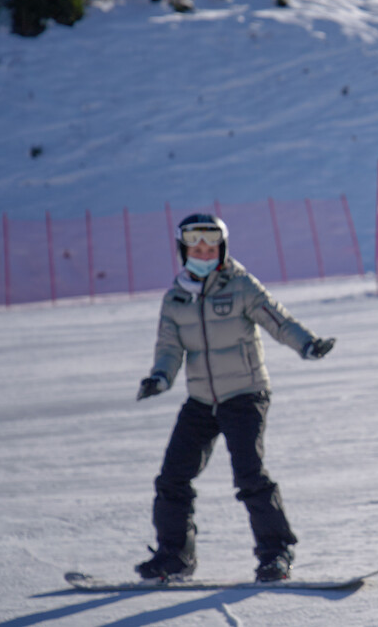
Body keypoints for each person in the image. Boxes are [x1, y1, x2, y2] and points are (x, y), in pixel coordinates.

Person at [135, 213, 335, 582]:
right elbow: (169, 346)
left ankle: (276, 554)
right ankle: (174, 556)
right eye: (196, 247)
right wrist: (160, 378)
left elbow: (278, 320)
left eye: (211, 247)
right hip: (201, 399)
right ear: (184, 250)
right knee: (172, 478)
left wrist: (306, 343)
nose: (204, 252)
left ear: (222, 248)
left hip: (245, 394)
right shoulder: (176, 297)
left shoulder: (240, 285)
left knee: (249, 475)